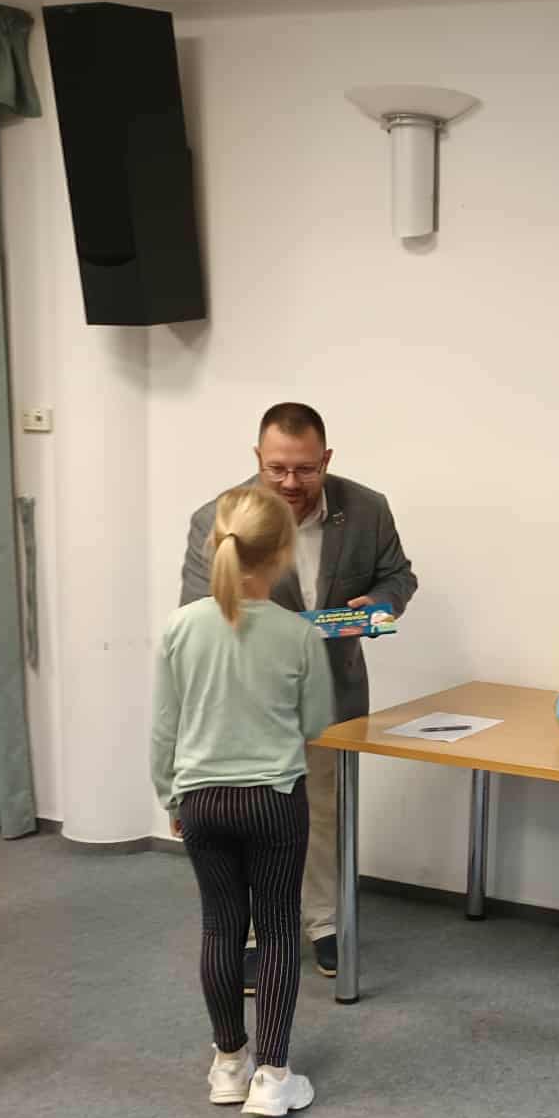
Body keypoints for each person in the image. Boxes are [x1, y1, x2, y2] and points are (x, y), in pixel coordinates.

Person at [179, 403, 417, 991]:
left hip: (332, 694)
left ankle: (323, 922)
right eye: (277, 468)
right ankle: (252, 936)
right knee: (253, 822)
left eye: (305, 469)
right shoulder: (218, 515)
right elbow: (198, 613)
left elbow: (398, 575)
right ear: (257, 458)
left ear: (326, 460)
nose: (290, 482)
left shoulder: (367, 508)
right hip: (247, 704)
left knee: (323, 812)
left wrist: (381, 604)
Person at [154, 484, 334, 1118]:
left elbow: (165, 729)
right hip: (274, 801)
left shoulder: (180, 627)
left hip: (201, 801)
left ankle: (229, 1064)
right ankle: (274, 1075)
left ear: (214, 544)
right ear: (283, 554)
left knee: (220, 927)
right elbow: (317, 723)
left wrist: (170, 796)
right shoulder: (298, 635)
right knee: (279, 928)